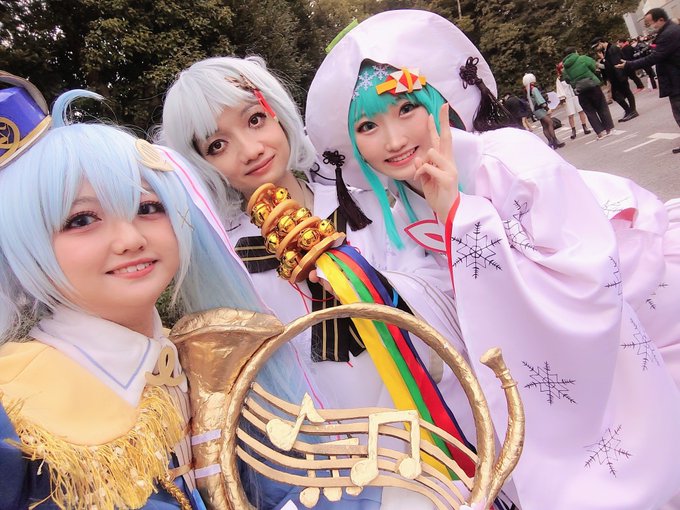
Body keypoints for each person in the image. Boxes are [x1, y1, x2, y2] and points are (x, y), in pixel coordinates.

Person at [305, 9, 680, 510]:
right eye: (368, 125)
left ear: (440, 100)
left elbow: (586, 275)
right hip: (525, 375)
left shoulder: (511, 158)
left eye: (406, 107)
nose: (393, 141)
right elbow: (440, 306)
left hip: (637, 313)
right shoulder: (398, 216)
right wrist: (359, 283)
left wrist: (461, 218)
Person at [161, 56, 472, 509]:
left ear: (279, 113)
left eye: (255, 120)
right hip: (329, 466)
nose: (250, 149)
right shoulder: (225, 263)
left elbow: (437, 285)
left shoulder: (367, 201)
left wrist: (357, 280)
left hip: (432, 418)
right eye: (217, 145)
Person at [0, 77, 317, 509]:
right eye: (82, 220)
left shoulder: (203, 360)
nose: (131, 239)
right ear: (24, 245)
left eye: (148, 207)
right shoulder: (14, 407)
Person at [618, 7, 680, 153]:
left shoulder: (669, 34)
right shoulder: (670, 31)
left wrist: (629, 64)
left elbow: (655, 57)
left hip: (676, 78)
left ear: (661, 20)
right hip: (674, 77)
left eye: (650, 23)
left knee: (678, 109)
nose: (649, 26)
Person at [562, 47, 614, 140]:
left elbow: (567, 80)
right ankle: (608, 129)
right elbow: (593, 67)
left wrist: (575, 82)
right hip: (592, 85)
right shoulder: (582, 58)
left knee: (589, 111)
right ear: (575, 52)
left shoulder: (565, 68)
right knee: (601, 106)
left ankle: (599, 133)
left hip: (580, 90)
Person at [592, 36, 639, 121]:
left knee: (626, 93)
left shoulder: (612, 49)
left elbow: (616, 64)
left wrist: (621, 77)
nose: (596, 49)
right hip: (614, 78)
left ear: (600, 42)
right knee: (616, 95)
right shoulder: (607, 50)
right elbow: (609, 65)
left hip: (619, 76)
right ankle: (628, 110)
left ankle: (632, 110)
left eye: (596, 46)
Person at [522, 73, 565, 148]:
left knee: (544, 126)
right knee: (550, 122)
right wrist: (547, 109)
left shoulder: (527, 90)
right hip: (540, 109)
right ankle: (555, 141)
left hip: (535, 110)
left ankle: (551, 142)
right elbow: (540, 100)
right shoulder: (534, 89)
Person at [555, 62, 592, 139]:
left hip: (575, 95)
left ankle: (584, 126)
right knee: (570, 115)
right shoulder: (559, 79)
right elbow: (560, 89)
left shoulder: (571, 74)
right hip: (567, 98)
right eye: (561, 68)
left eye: (564, 67)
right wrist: (562, 99)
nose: (563, 69)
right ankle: (573, 130)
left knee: (581, 111)